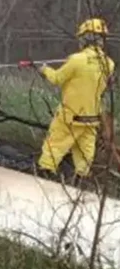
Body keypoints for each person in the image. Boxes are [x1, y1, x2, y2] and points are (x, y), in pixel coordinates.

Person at [34, 17, 115, 180]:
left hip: (70, 116)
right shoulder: (109, 64)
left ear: (85, 38)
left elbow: (57, 78)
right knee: (85, 155)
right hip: (92, 118)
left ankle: (44, 176)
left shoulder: (76, 60)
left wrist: (44, 70)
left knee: (54, 147)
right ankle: (81, 185)